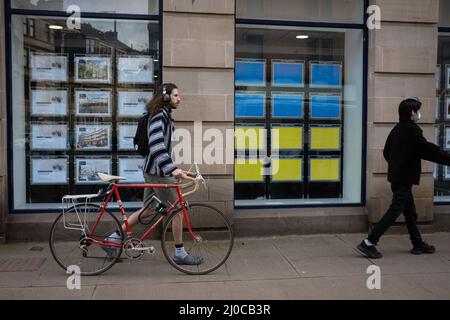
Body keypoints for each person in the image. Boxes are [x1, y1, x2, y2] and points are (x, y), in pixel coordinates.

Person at [104, 83, 203, 265]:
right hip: (158, 172)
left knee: (149, 209)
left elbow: (160, 148)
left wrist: (172, 167)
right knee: (178, 210)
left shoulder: (163, 115)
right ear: (165, 97)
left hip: (153, 170)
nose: (179, 99)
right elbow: (157, 146)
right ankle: (180, 253)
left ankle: (113, 238)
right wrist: (171, 169)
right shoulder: (159, 116)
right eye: (175, 95)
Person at [357, 97, 450, 259]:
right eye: (417, 110)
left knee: (410, 212)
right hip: (403, 179)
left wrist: (397, 165)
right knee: (395, 211)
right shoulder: (412, 130)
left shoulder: (397, 129)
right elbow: (427, 150)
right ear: (412, 112)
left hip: (397, 177)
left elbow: (387, 152)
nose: (419, 114)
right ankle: (369, 242)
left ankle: (417, 243)